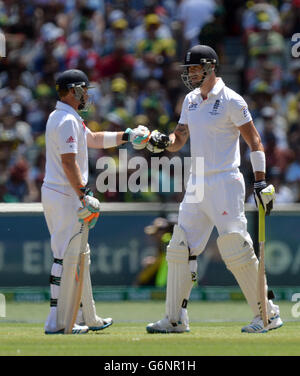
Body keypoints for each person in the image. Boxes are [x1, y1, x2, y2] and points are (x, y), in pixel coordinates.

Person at [145, 45, 283, 334]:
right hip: (196, 182)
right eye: (188, 70)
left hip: (225, 180)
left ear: (210, 67)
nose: (190, 74)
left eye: (194, 69)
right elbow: (180, 137)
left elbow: (254, 141)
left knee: (236, 246)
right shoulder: (190, 99)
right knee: (180, 248)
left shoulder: (232, 100)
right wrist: (163, 142)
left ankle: (267, 315)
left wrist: (260, 180)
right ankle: (174, 319)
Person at [41, 69, 150, 334]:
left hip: (62, 193)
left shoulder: (66, 117)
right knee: (66, 256)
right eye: (83, 90)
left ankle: (87, 316)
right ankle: (58, 321)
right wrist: (84, 193)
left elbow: (93, 139)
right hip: (65, 195)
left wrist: (127, 135)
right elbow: (68, 163)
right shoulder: (65, 120)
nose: (87, 95)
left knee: (79, 256)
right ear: (71, 91)